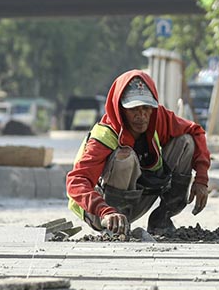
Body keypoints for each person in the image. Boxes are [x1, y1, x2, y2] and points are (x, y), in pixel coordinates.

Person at [66, 70, 211, 236]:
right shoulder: (104, 136)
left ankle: (161, 221)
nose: (141, 116)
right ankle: (116, 228)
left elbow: (195, 131)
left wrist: (201, 179)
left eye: (146, 108)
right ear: (120, 108)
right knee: (125, 156)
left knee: (186, 141)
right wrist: (105, 211)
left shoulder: (158, 117)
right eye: (133, 109)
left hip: (140, 196)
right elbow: (76, 182)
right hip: (103, 211)